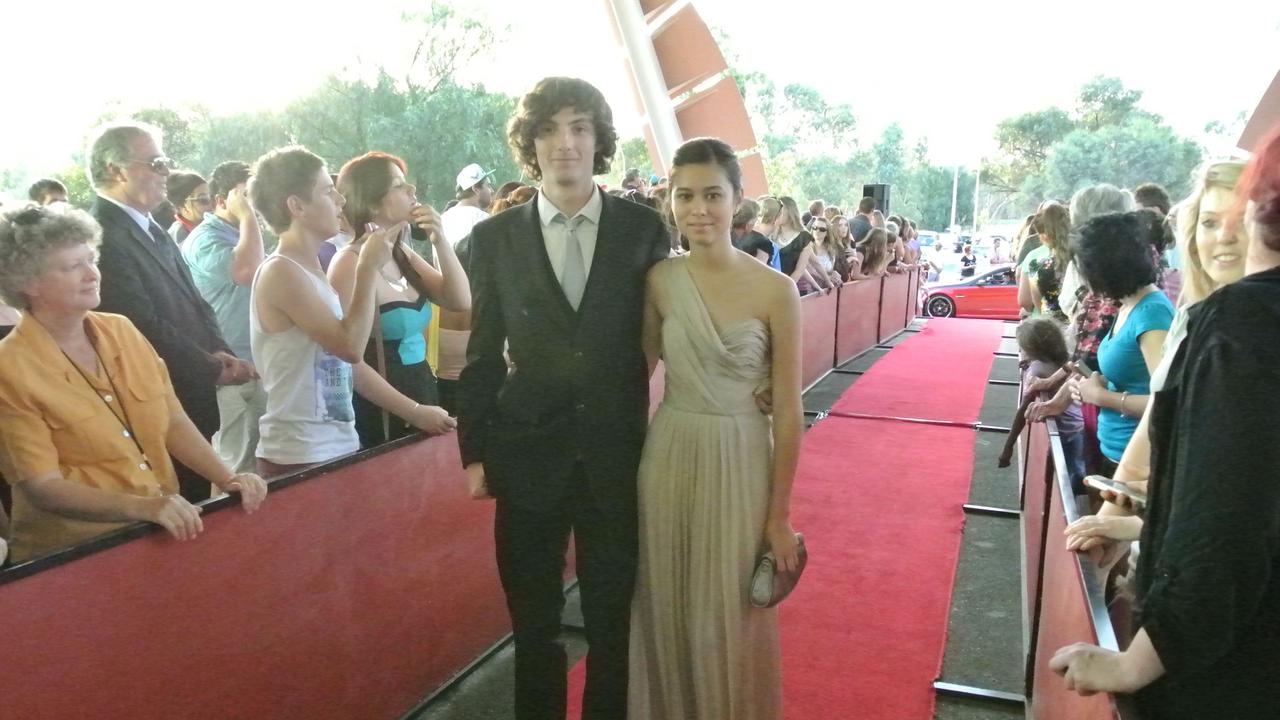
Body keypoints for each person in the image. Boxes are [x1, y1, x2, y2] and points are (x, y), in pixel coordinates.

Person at [456, 76, 671, 720]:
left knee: (612, 623)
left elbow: (670, 332)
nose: (565, 143)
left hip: (616, 455)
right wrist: (473, 454)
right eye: (549, 129)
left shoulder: (643, 230)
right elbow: (480, 354)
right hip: (526, 455)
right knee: (534, 627)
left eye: (579, 128)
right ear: (531, 143)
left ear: (599, 141)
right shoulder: (494, 240)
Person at [1051, 125, 1280, 719]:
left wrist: (1140, 660)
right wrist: (1134, 521)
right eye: (1207, 221)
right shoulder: (1208, 317)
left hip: (1231, 660)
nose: (1225, 235)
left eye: (1243, 214)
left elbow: (1227, 518)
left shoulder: (1238, 326)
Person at [628, 137, 799, 719]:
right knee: (667, 602)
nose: (698, 209)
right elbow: (634, 373)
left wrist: (778, 519)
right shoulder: (659, 280)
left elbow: (790, 411)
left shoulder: (776, 289)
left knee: (727, 611)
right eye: (685, 196)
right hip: (670, 451)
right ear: (670, 202)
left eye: (712, 195)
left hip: (741, 455)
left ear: (737, 199)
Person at [0, 203, 267, 563]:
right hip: (70, 556)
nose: (92, 274)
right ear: (27, 283)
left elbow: (172, 420)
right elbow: (42, 486)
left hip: (151, 536)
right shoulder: (10, 367)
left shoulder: (122, 330)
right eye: (72, 266)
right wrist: (144, 507)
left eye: (91, 260)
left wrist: (228, 477)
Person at [87, 122, 254, 501]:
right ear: (117, 170)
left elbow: (194, 300)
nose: (167, 173)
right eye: (157, 162)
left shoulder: (150, 226)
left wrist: (219, 348)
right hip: (158, 399)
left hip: (191, 389)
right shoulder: (102, 233)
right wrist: (212, 366)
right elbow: (139, 323)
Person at [248, 146, 398, 476]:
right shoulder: (281, 271)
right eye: (328, 192)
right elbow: (350, 348)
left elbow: (346, 368)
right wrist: (368, 269)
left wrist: (415, 412)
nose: (341, 201)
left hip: (333, 443)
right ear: (297, 206)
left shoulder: (312, 269)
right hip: (298, 452)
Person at [329, 152, 466, 447]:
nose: (411, 191)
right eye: (398, 185)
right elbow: (349, 360)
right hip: (384, 412)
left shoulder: (402, 254)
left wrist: (440, 240)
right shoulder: (348, 263)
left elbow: (460, 300)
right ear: (372, 200)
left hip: (424, 393)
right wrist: (414, 412)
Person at [1067, 211, 1174, 476]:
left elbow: (1167, 403)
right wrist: (1094, 383)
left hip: (1136, 462)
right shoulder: (1129, 305)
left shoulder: (1152, 313)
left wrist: (1102, 397)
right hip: (1115, 449)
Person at [181, 161, 268, 474]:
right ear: (221, 201)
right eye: (247, 196)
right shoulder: (206, 239)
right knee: (235, 469)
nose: (255, 204)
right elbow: (246, 271)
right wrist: (247, 216)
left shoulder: (246, 234)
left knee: (262, 465)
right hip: (230, 371)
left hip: (258, 365)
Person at [1018, 203, 1071, 321]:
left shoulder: (1035, 261)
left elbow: (1025, 301)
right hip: (1078, 326)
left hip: (1047, 326)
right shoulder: (1082, 256)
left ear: (1044, 235)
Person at [441, 162, 495, 245]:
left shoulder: (442, 220)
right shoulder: (483, 219)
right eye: (488, 185)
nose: (492, 191)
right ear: (476, 190)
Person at [166, 171, 211, 244]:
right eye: (204, 199)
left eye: (212, 196)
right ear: (183, 206)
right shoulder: (178, 240)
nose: (212, 204)